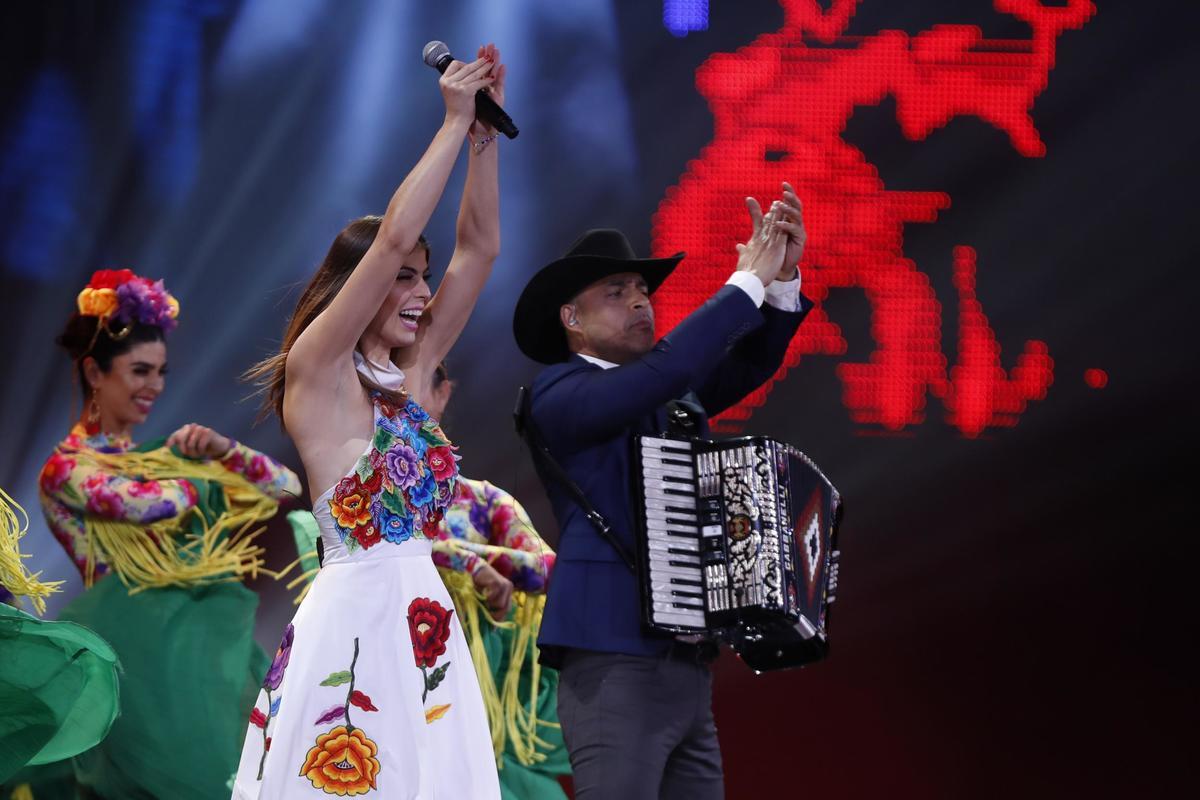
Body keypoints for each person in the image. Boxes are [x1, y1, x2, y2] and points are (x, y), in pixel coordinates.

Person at [232, 44, 507, 799]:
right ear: (362, 284)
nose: (420, 292)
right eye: (404, 279)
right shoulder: (318, 372)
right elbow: (388, 241)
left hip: (423, 625)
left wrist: (482, 138)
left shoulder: (410, 373)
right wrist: (449, 123)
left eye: (425, 277)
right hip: (355, 622)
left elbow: (481, 249)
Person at [512, 184, 811, 799]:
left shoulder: (665, 393)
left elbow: (748, 363)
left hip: (686, 664)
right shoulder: (558, 392)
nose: (639, 301)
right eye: (616, 292)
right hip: (611, 655)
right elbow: (671, 367)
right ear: (571, 319)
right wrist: (744, 283)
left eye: (643, 291)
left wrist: (780, 281)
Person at [36, 268, 301, 799]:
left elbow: (284, 485)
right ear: (94, 372)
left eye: (160, 372)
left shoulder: (158, 459)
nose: (154, 387)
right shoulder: (66, 470)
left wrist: (223, 450)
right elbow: (152, 505)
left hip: (196, 655)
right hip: (133, 663)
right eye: (139, 371)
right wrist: (197, 475)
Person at [423, 363, 569, 800]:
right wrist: (466, 563)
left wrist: (469, 559)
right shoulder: (361, 502)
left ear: (444, 393)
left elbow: (547, 568)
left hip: (478, 700)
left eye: (415, 382)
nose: (401, 397)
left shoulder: (479, 500)